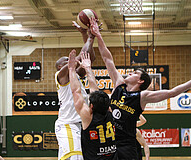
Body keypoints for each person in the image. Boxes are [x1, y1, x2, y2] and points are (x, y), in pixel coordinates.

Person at [89, 16, 191, 160]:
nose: (130, 72)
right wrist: (98, 36)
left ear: (140, 80)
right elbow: (107, 59)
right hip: (109, 142)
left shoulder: (142, 97)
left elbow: (172, 92)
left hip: (127, 145)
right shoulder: (119, 84)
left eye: (134, 73)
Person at [54, 26, 96, 159]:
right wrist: (88, 37)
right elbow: (77, 60)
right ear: (61, 67)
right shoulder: (60, 76)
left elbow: (89, 58)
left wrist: (89, 36)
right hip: (68, 124)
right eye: (66, 60)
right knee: (75, 157)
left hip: (81, 123)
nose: (70, 61)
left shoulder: (76, 75)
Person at [68, 50, 116, 159]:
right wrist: (88, 68)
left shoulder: (88, 117)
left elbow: (76, 91)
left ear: (92, 106)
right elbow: (95, 91)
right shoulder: (110, 112)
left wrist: (71, 69)